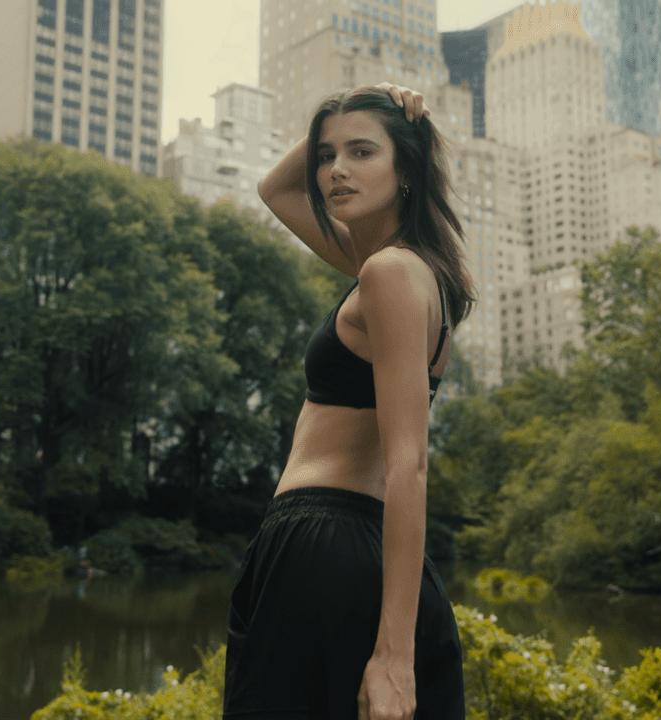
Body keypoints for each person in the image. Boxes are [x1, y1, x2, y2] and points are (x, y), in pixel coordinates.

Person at [222, 83, 474, 720]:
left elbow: (410, 462)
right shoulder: (409, 271)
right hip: (361, 555)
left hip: (322, 548)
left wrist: (394, 655)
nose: (335, 170)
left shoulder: (388, 275)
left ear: (407, 169)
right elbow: (276, 191)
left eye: (363, 152)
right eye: (327, 155)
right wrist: (348, 102)